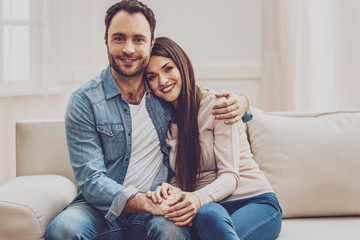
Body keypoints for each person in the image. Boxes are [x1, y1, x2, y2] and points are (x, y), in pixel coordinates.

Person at [45, 1, 252, 239]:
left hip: (158, 204)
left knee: (171, 232)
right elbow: (91, 180)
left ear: (151, 43)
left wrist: (242, 103)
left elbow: (201, 100)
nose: (129, 49)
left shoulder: (162, 89)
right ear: (106, 41)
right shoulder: (85, 101)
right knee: (62, 230)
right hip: (99, 209)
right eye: (119, 38)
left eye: (139, 39)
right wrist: (145, 203)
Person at [144, 36, 282, 240]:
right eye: (152, 76)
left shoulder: (219, 105)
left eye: (168, 68)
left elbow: (230, 177)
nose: (162, 81)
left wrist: (196, 199)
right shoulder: (164, 122)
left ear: (183, 66)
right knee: (209, 213)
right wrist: (170, 190)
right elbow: (180, 176)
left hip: (253, 201)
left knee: (209, 212)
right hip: (207, 211)